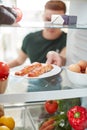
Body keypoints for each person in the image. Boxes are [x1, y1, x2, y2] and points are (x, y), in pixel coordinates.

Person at [8, 0, 67, 68]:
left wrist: (58, 58)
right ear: (43, 17)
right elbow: (19, 61)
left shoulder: (68, 40)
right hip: (33, 77)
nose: (52, 25)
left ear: (65, 20)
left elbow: (63, 59)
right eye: (48, 19)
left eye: (57, 20)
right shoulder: (30, 39)